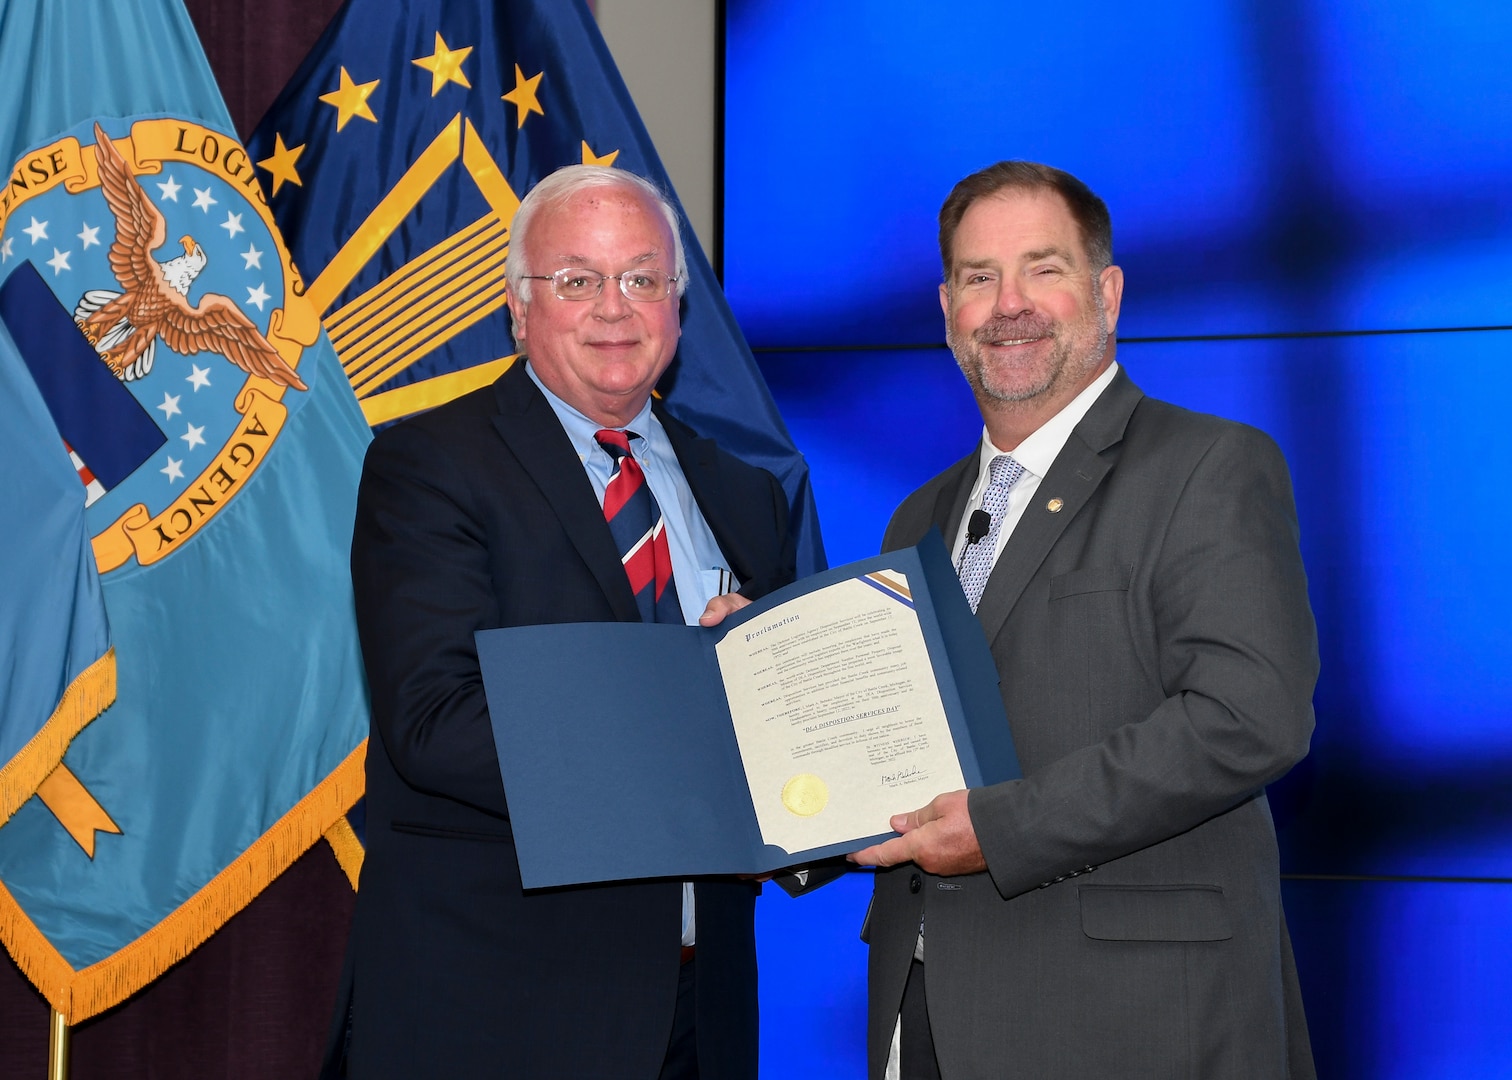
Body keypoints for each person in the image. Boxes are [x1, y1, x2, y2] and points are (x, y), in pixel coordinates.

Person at [850, 161, 1319, 1079]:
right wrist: (764, 682)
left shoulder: (1209, 466)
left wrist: (1003, 829)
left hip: (1129, 1024)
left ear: (1107, 293)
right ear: (947, 308)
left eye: (1043, 268)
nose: (1009, 303)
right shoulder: (918, 517)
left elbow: (1247, 718)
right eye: (979, 277)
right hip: (926, 1014)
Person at [341, 165, 795, 1078]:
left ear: (677, 305)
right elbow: (436, 724)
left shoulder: (745, 491)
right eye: (577, 280)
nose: (613, 309)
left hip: (701, 1012)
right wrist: (695, 726)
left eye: (641, 278)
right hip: (500, 1005)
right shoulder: (427, 465)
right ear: (518, 308)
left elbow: (781, 742)